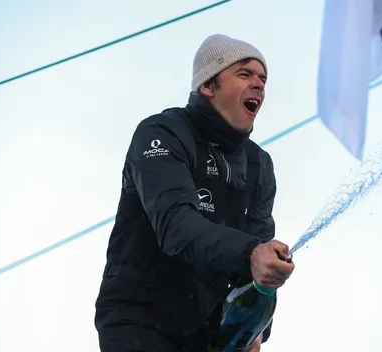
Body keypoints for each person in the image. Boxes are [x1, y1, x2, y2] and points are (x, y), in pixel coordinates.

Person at [94, 33, 295, 352]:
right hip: (139, 324)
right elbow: (176, 226)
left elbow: (257, 260)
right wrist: (251, 254)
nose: (258, 84)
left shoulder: (259, 166)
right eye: (244, 73)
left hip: (206, 338)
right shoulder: (162, 132)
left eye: (263, 78)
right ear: (208, 86)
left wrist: (257, 330)